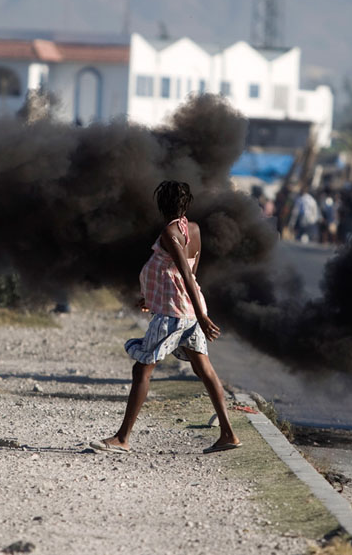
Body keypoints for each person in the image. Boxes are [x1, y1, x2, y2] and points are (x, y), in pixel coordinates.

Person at [91, 181, 240, 455]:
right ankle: (228, 433)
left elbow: (184, 272)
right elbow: (187, 273)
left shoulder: (170, 231)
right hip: (185, 309)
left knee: (142, 369)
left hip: (175, 314)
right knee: (204, 370)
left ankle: (122, 438)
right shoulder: (192, 229)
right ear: (187, 204)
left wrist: (203, 317)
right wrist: (154, 298)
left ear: (162, 205)